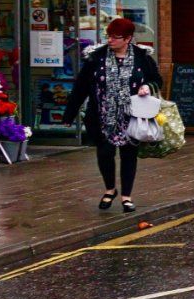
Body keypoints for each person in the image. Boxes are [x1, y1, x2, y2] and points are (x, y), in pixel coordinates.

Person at [64, 17, 163, 213]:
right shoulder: (96, 57)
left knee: (129, 155)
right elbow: (81, 86)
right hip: (102, 116)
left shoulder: (142, 57)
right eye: (109, 36)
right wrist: (69, 115)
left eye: (116, 37)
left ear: (128, 39)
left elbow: (157, 80)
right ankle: (110, 189)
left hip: (132, 116)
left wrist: (147, 87)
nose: (110, 40)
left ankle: (127, 196)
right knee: (105, 153)